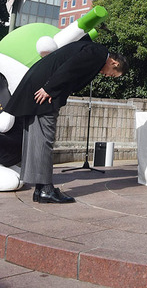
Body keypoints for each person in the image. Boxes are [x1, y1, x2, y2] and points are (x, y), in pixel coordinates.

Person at [4, 38, 128, 203]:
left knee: (36, 139)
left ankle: (41, 189)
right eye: (111, 74)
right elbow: (70, 68)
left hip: (38, 86)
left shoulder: (92, 49)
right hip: (45, 91)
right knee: (44, 139)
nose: (106, 75)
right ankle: (46, 189)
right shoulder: (98, 53)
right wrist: (50, 88)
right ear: (114, 63)